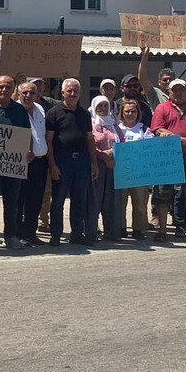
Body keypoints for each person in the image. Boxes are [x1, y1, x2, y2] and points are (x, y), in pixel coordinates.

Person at [149, 78, 186, 242]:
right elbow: (157, 128)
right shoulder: (162, 108)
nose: (178, 93)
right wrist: (177, 139)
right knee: (162, 192)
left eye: (181, 89)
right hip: (167, 155)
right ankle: (162, 231)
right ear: (169, 92)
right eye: (174, 90)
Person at [0, 75, 32, 250]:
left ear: (13, 90)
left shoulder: (20, 110)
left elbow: (26, 134)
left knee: (12, 202)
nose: (4, 90)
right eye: (1, 86)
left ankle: (10, 236)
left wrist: (28, 151)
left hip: (13, 166)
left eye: (8, 87)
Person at [46, 78, 97, 246]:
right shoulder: (53, 113)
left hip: (82, 160)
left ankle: (77, 233)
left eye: (76, 91)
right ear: (63, 93)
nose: (73, 94)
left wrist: (94, 163)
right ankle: (55, 234)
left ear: (80, 93)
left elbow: (89, 138)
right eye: (69, 91)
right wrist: (52, 165)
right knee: (58, 200)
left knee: (79, 199)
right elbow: (49, 141)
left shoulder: (84, 114)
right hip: (62, 160)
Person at [16, 81, 48, 247]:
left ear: (37, 95)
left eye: (32, 93)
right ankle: (18, 234)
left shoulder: (40, 109)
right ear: (19, 94)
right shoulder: (14, 109)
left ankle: (30, 233)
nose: (28, 96)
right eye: (25, 93)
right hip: (21, 162)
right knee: (19, 199)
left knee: (35, 199)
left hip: (40, 162)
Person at [116, 98, 153, 240]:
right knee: (120, 203)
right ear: (121, 113)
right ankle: (121, 228)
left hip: (139, 173)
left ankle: (138, 229)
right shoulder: (116, 128)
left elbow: (150, 149)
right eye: (127, 111)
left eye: (133, 111)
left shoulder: (144, 129)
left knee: (140, 203)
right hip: (121, 172)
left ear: (138, 113)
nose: (130, 114)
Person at [89, 94, 123, 242]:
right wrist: (102, 155)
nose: (103, 108)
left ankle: (112, 232)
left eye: (105, 106)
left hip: (112, 166)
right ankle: (91, 231)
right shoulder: (90, 124)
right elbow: (88, 142)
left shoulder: (113, 124)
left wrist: (112, 153)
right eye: (99, 106)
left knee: (112, 200)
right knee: (94, 199)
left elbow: (122, 141)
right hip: (96, 165)